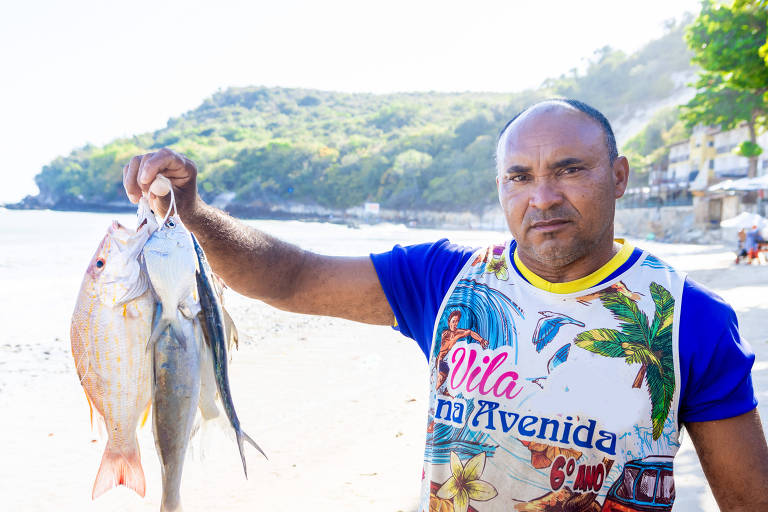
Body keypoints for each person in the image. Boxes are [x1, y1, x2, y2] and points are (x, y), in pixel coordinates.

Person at [123, 99, 768, 511]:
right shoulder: (448, 280)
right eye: (519, 176)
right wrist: (197, 213)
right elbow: (290, 278)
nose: (541, 197)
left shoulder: (687, 319)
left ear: (620, 176)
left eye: (569, 169)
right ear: (500, 187)